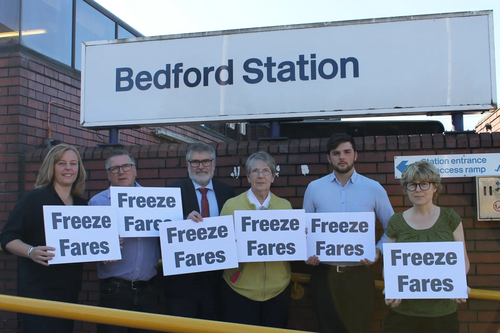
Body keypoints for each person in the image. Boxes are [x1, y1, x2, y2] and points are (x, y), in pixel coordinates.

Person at [303, 133, 394, 333]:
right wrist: (307, 252)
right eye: (336, 153)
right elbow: (305, 230)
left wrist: (378, 251)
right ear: (329, 158)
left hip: (359, 276)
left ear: (355, 156)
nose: (341, 157)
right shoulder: (314, 188)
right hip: (324, 275)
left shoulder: (373, 188)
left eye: (346, 152)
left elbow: (393, 228)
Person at [0, 143, 87, 333]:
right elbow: (7, 238)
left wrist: (111, 244)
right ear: (51, 167)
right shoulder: (34, 199)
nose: (68, 168)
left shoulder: (83, 205)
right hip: (37, 289)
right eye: (61, 163)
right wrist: (31, 251)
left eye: (73, 163)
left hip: (69, 289)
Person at [383, 161, 469, 333]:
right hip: (403, 312)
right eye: (412, 185)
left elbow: (463, 261)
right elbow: (389, 265)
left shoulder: (450, 218)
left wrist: (459, 282)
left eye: (424, 184)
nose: (418, 190)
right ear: (406, 188)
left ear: (435, 187)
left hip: (442, 312)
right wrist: (391, 286)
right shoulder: (396, 221)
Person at [89, 149, 159, 333]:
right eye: (115, 168)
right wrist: (101, 248)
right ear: (108, 174)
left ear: (135, 170)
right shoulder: (97, 203)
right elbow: (87, 244)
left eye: (126, 166)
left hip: (149, 289)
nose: (121, 172)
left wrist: (188, 220)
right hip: (114, 290)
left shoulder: (157, 201)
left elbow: (172, 230)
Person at [220, 151, 292, 328]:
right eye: (255, 171)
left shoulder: (285, 206)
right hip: (240, 289)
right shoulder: (231, 206)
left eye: (266, 171)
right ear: (247, 177)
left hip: (278, 288)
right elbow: (221, 246)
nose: (261, 176)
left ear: (273, 177)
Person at [163, 142, 235, 320]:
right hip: (183, 284)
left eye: (206, 161)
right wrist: (182, 224)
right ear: (187, 165)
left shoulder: (227, 192)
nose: (201, 166)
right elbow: (162, 229)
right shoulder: (172, 191)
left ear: (214, 164)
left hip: (217, 281)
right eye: (195, 162)